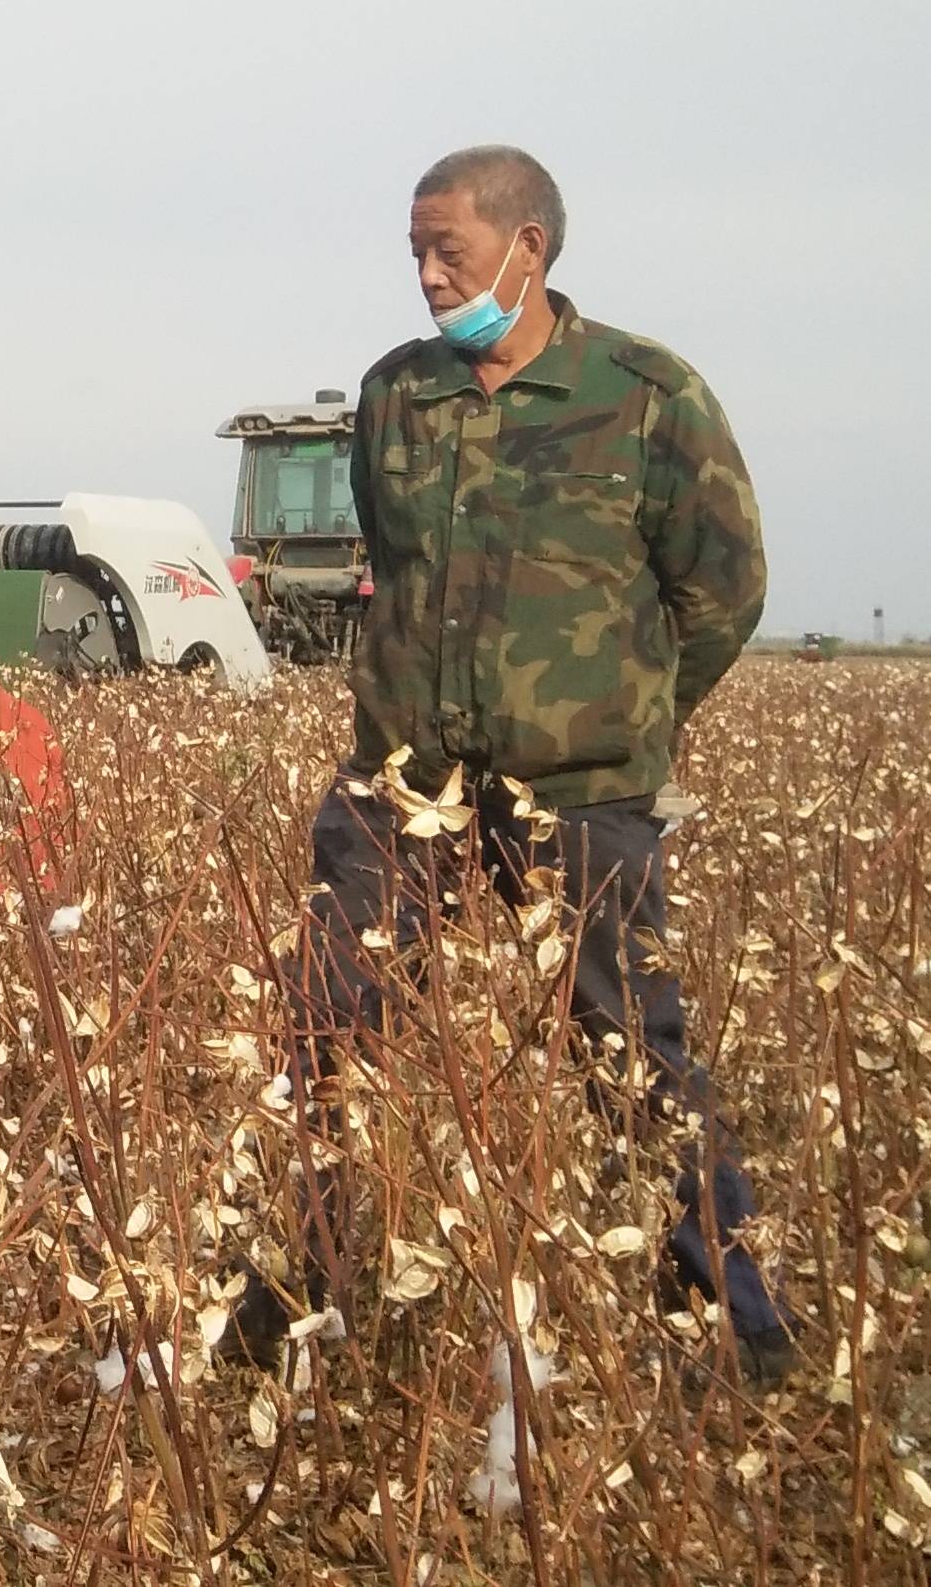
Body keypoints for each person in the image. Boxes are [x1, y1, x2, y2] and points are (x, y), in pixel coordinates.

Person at [232, 146, 800, 1391]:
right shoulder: (395, 395)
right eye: (416, 254)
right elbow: (395, 564)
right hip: (402, 781)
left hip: (579, 790)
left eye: (453, 251)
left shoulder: (647, 396)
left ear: (528, 247)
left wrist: (621, 720)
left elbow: (722, 588)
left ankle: (733, 1320)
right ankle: (302, 1291)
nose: (431, 277)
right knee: (325, 1024)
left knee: (625, 1047)